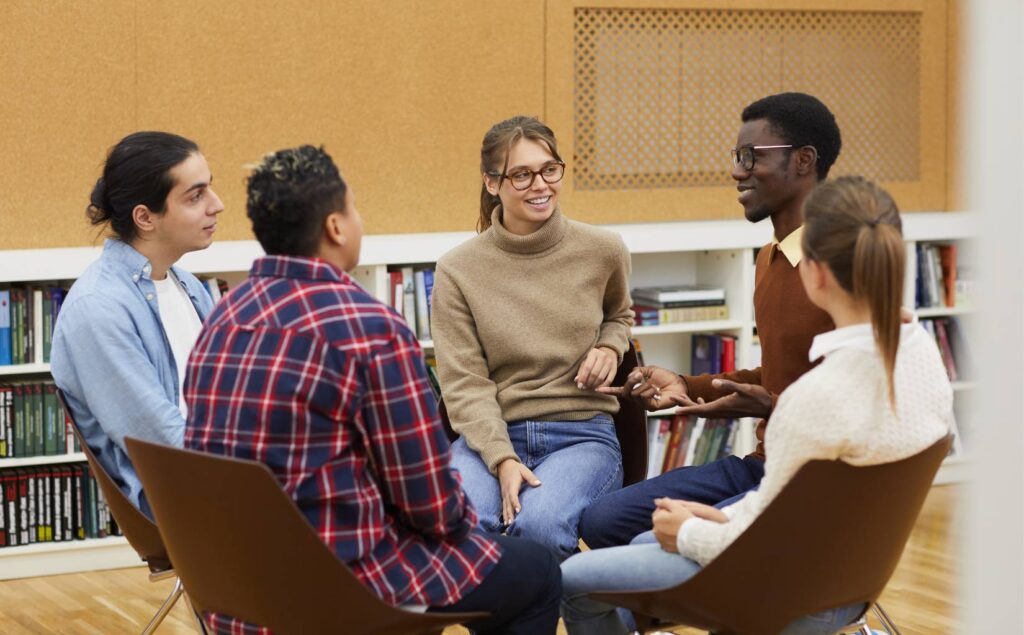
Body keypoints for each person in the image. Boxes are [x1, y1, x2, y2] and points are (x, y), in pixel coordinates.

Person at [184, 145, 560, 635]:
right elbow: (430, 503)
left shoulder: (223, 318)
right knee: (535, 570)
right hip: (341, 588)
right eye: (354, 209)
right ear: (336, 227)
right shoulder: (369, 327)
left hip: (240, 588)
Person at [560, 175, 953, 635]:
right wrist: (718, 518)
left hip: (784, 588)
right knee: (648, 536)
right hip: (851, 578)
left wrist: (689, 531)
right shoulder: (922, 354)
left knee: (574, 579)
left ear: (816, 272)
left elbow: (765, 533)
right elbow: (780, 509)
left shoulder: (816, 397)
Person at [581, 92, 841, 549]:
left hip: (820, 482)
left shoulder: (847, 266)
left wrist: (771, 405)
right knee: (603, 520)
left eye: (750, 156)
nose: (737, 171)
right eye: (736, 156)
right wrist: (685, 384)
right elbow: (782, 373)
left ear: (803, 161)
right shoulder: (769, 260)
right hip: (765, 464)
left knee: (649, 545)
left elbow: (871, 403)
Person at [430, 115, 634, 561]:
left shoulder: (603, 249)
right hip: (493, 433)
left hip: (582, 432)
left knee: (539, 527)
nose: (540, 184)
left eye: (549, 169)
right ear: (491, 183)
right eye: (521, 174)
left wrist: (609, 345)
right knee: (461, 527)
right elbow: (464, 384)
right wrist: (502, 459)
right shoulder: (458, 270)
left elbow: (619, 315)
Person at [50, 131, 223, 516]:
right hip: (184, 498)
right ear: (145, 217)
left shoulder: (189, 285)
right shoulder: (99, 308)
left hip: (220, 475)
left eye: (210, 189)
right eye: (196, 196)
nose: (218, 205)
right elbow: (161, 444)